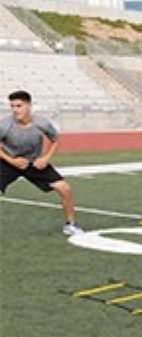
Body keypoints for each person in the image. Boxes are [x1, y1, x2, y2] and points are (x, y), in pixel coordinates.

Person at [0, 90, 83, 235]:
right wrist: (12, 161)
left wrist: (45, 158)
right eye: (12, 106)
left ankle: (71, 225)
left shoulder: (42, 123)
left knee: (64, 188)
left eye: (19, 106)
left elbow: (55, 140)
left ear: (29, 106)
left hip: (34, 162)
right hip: (9, 161)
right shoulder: (4, 125)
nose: (15, 110)